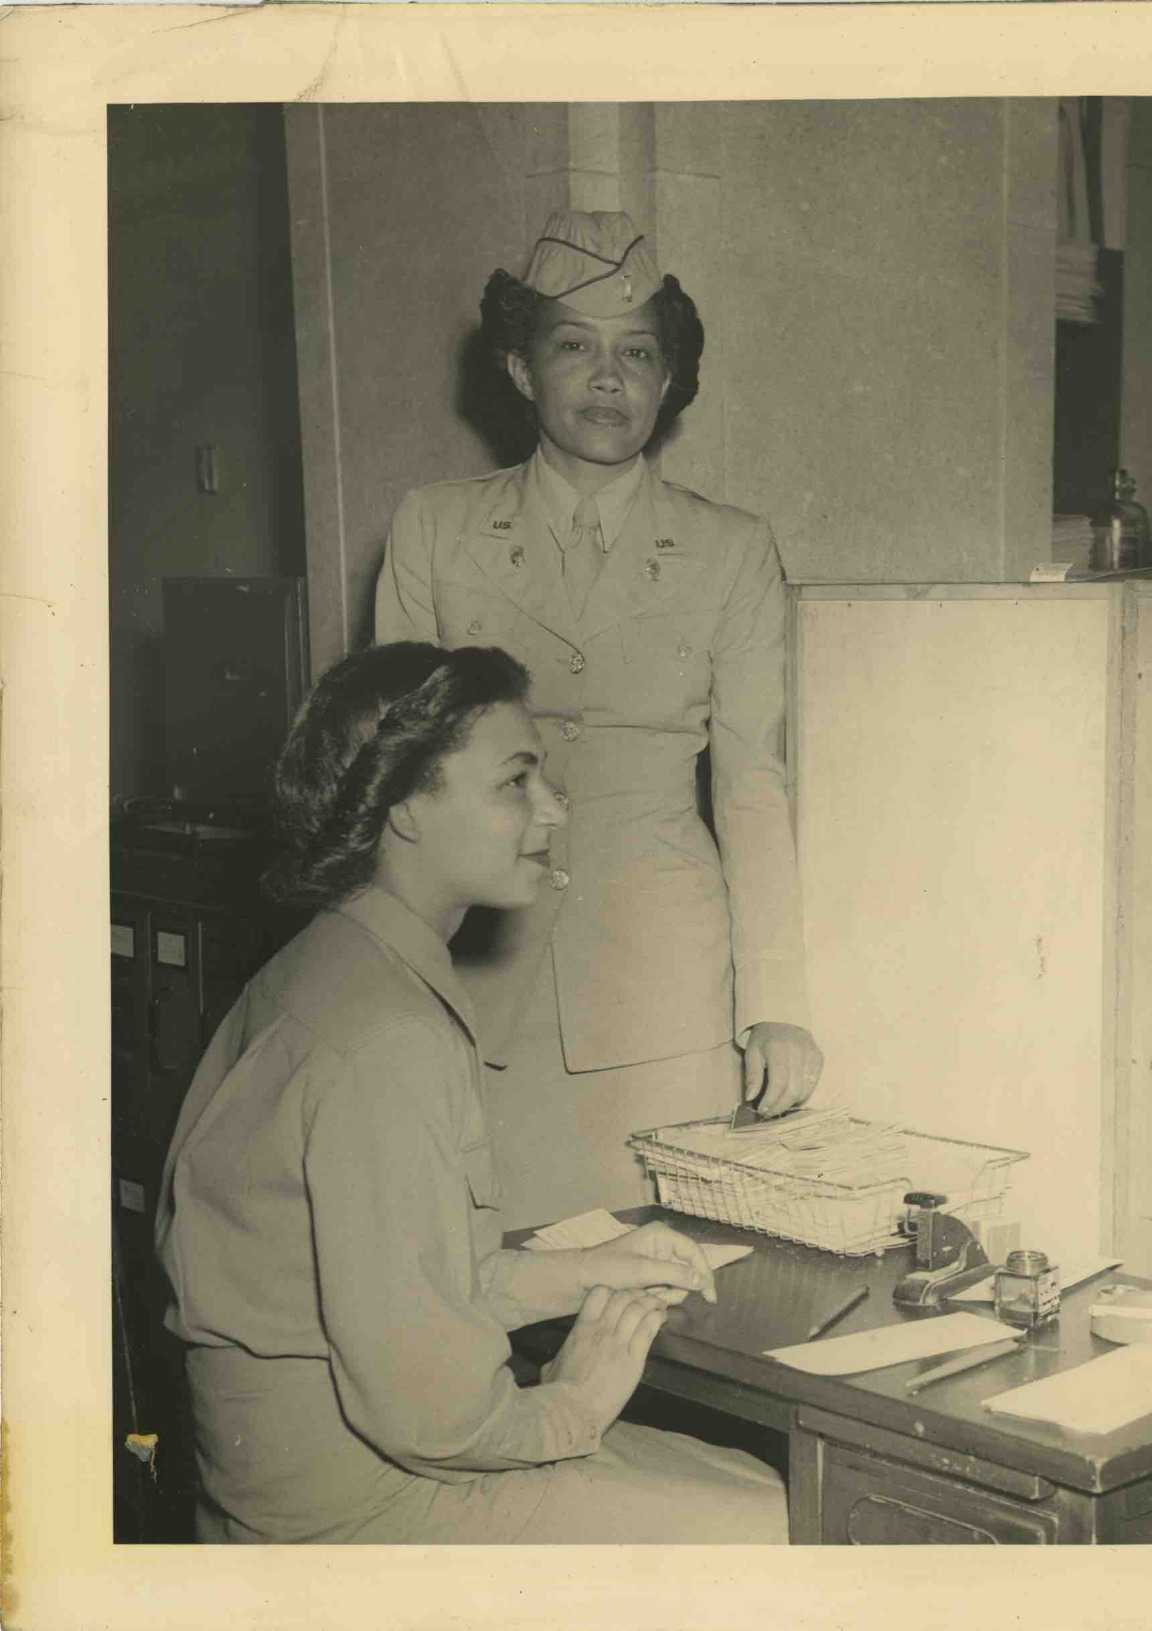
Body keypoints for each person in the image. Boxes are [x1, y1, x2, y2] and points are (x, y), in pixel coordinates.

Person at [155, 642, 789, 1543]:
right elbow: (432, 1415)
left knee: (739, 1483)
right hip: (364, 1516)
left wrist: (581, 1272)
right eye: (516, 783)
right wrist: (574, 1405)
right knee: (775, 1515)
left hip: (285, 1487)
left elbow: (389, 1286)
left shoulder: (321, 968)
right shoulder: (388, 1037)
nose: (554, 808)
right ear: (406, 804)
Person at [376, 210, 822, 1231]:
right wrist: (389, 984)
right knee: (485, 1269)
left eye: (638, 354)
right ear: (520, 369)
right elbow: (390, 782)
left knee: (664, 1281)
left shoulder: (732, 550)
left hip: (659, 987)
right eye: (573, 346)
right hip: (483, 978)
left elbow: (754, 783)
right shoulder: (433, 530)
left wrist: (776, 1001)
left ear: (670, 383)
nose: (609, 379)